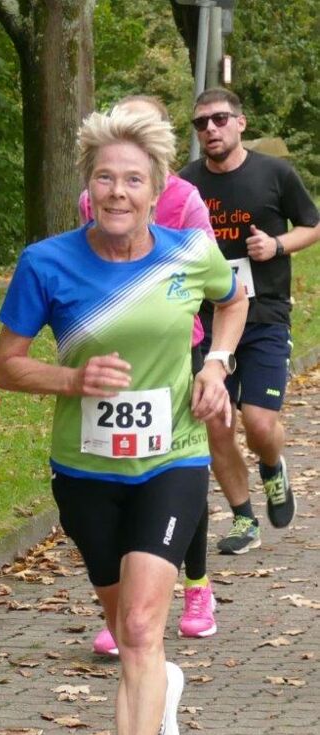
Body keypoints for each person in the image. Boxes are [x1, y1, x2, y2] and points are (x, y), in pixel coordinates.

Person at [0, 107, 247, 735]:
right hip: (85, 473)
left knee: (138, 627)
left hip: (173, 460)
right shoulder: (46, 263)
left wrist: (215, 364)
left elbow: (232, 298)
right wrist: (72, 379)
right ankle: (160, 689)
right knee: (129, 625)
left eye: (133, 180)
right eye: (105, 177)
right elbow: (8, 367)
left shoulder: (188, 252)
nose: (117, 192)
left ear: (156, 189)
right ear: (87, 187)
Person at [79, 95, 219, 652]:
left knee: (175, 469)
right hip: (114, 353)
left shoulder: (186, 200)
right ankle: (126, 609)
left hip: (176, 349)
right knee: (115, 472)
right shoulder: (95, 195)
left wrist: (216, 363)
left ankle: (197, 585)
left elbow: (215, 279)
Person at [180, 88, 320, 555]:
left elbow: (312, 225)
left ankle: (273, 464)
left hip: (264, 315)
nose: (211, 129)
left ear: (240, 122)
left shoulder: (274, 173)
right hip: (207, 321)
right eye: (201, 123)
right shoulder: (185, 184)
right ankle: (244, 518)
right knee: (217, 424)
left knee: (259, 423)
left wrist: (277, 246)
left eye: (220, 119)